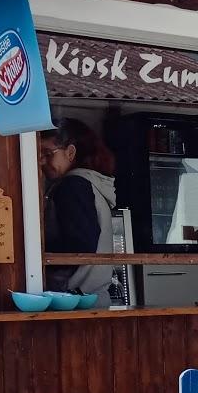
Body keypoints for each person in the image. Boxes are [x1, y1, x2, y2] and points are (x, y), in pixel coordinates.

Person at [40, 117, 116, 306]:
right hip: (93, 298)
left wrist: (36, 250)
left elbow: (79, 245)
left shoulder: (73, 186)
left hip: (73, 300)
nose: (42, 161)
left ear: (70, 152)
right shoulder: (93, 184)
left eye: (48, 154)